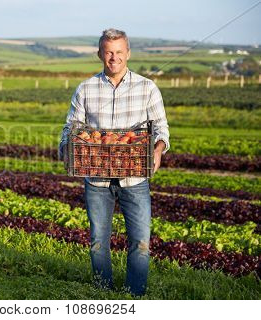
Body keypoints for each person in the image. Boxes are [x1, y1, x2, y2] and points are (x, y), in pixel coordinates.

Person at [59, 28, 170, 296]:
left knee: (141, 242)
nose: (114, 57)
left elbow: (162, 130)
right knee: (98, 241)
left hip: (135, 177)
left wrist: (157, 150)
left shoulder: (147, 87)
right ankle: (102, 291)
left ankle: (135, 294)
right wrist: (65, 148)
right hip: (96, 177)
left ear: (128, 53)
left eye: (119, 52)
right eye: (109, 52)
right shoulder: (86, 88)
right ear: (100, 54)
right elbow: (71, 127)